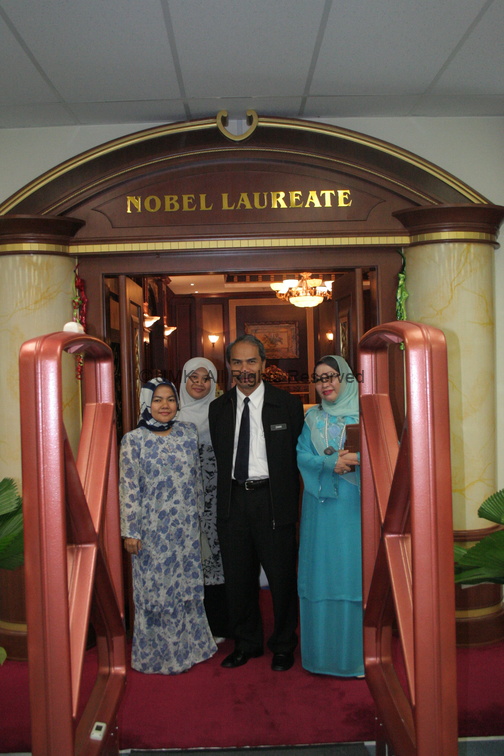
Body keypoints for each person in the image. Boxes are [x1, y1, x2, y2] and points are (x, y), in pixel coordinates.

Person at [208, 334, 304, 671]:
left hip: (273, 501)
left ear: (263, 363)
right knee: (238, 579)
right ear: (229, 366)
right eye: (237, 362)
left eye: (251, 361)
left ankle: (283, 644)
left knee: (281, 578)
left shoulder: (287, 405)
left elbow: (296, 457)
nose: (244, 368)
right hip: (233, 502)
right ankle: (246, 643)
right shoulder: (218, 408)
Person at [119, 377, 217, 674]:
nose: (165, 405)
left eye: (170, 399)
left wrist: (199, 516)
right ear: (146, 403)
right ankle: (159, 656)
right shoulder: (133, 440)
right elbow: (128, 488)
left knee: (187, 586)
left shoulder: (188, 433)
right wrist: (130, 531)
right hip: (152, 530)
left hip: (185, 528)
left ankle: (192, 648)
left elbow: (196, 477)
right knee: (156, 590)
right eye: (158, 399)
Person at [297, 355, 364, 677]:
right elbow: (301, 455)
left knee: (351, 573)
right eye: (319, 378)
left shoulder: (366, 415)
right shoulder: (312, 419)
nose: (325, 384)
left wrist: (357, 458)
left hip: (354, 510)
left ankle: (355, 657)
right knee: (320, 574)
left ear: (347, 379)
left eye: (331, 377)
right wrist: (329, 463)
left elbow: (387, 450)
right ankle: (321, 656)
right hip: (320, 510)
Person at [178, 357, 228, 639]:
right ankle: (188, 626)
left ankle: (217, 625)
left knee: (215, 557)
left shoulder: (222, 413)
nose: (199, 383)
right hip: (182, 503)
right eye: (193, 378)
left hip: (215, 499)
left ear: (214, 383)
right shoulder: (171, 415)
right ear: (183, 380)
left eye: (206, 378)